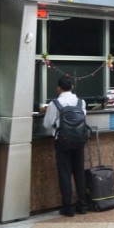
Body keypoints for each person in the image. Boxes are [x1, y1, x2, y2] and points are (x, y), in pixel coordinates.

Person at [43, 76, 89, 216]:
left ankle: (68, 208)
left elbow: (46, 124)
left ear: (58, 88)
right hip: (79, 141)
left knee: (65, 174)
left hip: (62, 142)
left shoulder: (55, 104)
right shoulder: (81, 102)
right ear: (72, 87)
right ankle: (82, 205)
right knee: (79, 173)